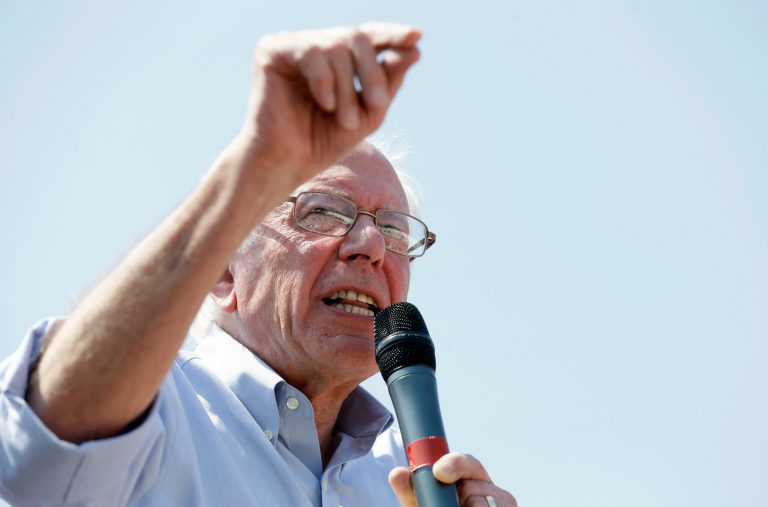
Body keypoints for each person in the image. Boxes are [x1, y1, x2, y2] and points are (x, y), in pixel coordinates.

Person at [0, 23, 517, 507]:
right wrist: (254, 165)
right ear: (223, 274)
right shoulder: (157, 412)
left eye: (394, 229)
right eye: (323, 212)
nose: (371, 246)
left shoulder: (409, 485)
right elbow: (37, 456)